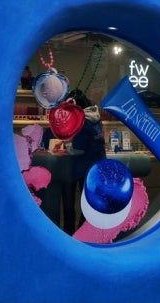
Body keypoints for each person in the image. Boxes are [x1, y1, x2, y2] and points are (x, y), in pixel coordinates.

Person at [40, 92, 106, 234]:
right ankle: (83, 234)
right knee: (88, 204)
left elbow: (78, 148)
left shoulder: (83, 121)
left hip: (77, 168)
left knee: (70, 205)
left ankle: (72, 234)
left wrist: (67, 145)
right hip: (94, 168)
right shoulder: (95, 118)